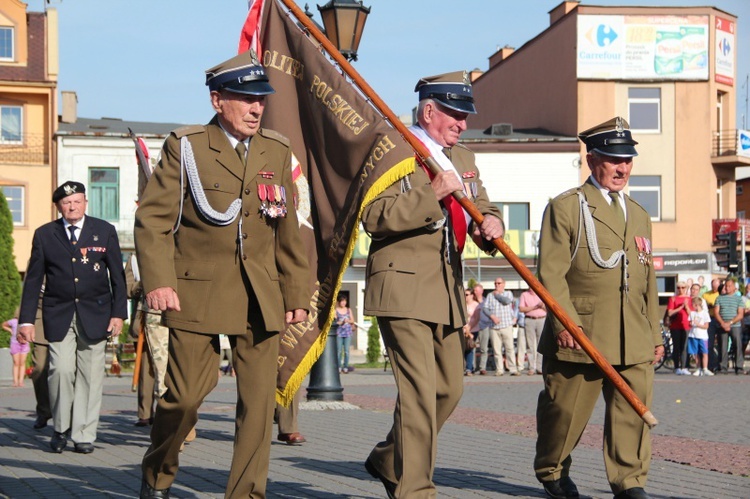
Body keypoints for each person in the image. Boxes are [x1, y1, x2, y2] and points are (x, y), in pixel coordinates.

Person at [134, 49, 310, 499]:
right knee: (185, 398)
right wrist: (158, 281)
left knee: (257, 406)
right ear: (217, 101)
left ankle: (246, 493)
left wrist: (296, 292)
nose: (256, 108)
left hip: (260, 293)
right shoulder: (187, 146)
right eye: (245, 98)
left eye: (261, 99)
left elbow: (287, 227)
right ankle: (157, 472)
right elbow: (153, 221)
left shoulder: (277, 148)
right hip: (197, 291)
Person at [361, 70, 504, 498]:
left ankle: (390, 459)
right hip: (401, 287)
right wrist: (431, 194)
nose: (462, 124)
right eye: (455, 115)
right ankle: (416, 490)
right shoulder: (393, 149)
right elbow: (373, 217)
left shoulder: (464, 158)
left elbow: (480, 204)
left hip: (445, 289)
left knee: (449, 389)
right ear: (429, 110)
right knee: (420, 394)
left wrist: (491, 220)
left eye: (466, 117)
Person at [534, 117, 663, 499]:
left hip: (633, 334)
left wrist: (654, 334)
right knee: (564, 414)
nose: (622, 167)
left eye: (627, 159)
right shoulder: (567, 207)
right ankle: (552, 470)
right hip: (582, 332)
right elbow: (551, 275)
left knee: (632, 413)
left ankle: (629, 481)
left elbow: (647, 280)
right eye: (612, 158)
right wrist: (566, 325)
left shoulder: (638, 213)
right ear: (593, 161)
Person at [17, 180, 128, 455]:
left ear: (85, 203)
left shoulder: (104, 231)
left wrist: (118, 315)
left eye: (77, 201)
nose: (72, 206)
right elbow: (33, 280)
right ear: (58, 207)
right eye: (66, 203)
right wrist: (27, 320)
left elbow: (118, 277)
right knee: (60, 370)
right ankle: (60, 427)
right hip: (58, 314)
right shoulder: (45, 235)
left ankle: (83, 434)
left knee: (91, 375)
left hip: (97, 313)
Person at [125, 253, 160, 426]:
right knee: (146, 369)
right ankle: (145, 413)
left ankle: (165, 411)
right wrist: (143, 285)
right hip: (144, 319)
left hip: (169, 318)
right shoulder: (134, 259)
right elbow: (127, 288)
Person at [483, 278, 520, 376]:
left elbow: (507, 301)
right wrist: (492, 316)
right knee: (497, 350)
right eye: (495, 283)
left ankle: (513, 369)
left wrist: (497, 295)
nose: (497, 285)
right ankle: (499, 369)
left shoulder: (508, 293)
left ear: (504, 284)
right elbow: (485, 308)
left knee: (509, 348)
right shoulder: (490, 295)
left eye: (499, 283)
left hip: (506, 325)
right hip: (494, 327)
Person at [28, 290, 51, 429]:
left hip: (66, 317)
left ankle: (70, 414)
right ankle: (44, 410)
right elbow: (29, 292)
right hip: (41, 322)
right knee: (39, 368)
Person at [713, 277, 745, 375]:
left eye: (729, 286)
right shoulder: (719, 298)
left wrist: (730, 323)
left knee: (737, 345)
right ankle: (723, 367)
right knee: (722, 346)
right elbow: (716, 312)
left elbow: (740, 314)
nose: (726, 288)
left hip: (735, 326)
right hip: (722, 326)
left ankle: (739, 367)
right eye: (725, 286)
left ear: (734, 287)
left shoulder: (738, 298)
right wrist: (723, 323)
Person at [519, 286, 546, 375]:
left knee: (541, 344)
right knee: (530, 345)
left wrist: (542, 306)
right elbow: (521, 309)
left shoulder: (542, 294)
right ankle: (531, 367)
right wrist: (535, 307)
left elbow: (548, 308)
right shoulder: (524, 295)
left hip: (541, 319)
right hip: (529, 319)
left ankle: (540, 367)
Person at [667, 282, 692, 375]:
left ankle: (684, 366)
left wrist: (686, 306)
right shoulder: (673, 299)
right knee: (676, 346)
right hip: (675, 326)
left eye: (682, 287)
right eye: (678, 287)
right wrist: (680, 307)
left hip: (686, 325)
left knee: (684, 346)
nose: (680, 289)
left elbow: (692, 314)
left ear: (686, 288)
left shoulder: (689, 299)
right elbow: (670, 313)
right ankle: (677, 367)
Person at [4, 308, 28, 387]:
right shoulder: (13, 321)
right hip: (15, 343)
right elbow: (4, 324)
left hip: (24, 343)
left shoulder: (26, 323)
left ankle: (21, 381)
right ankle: (15, 381)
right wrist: (10, 330)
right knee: (16, 362)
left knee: (22, 362)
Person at [688, 296, 712, 376]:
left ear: (696, 305)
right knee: (696, 353)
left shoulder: (705, 314)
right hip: (693, 335)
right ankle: (698, 368)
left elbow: (706, 326)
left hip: (703, 336)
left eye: (693, 304)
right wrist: (691, 324)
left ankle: (705, 368)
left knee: (705, 352)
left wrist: (698, 324)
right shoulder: (692, 313)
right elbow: (690, 323)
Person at [474, 283, 494, 374]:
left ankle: (482, 368)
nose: (476, 292)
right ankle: (472, 367)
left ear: (482, 291)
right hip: (473, 328)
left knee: (483, 349)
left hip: (484, 326)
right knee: (471, 348)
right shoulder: (471, 301)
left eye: (478, 290)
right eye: (475, 290)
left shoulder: (486, 301)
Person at [703, 278, 722, 372]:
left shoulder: (721, 294)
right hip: (710, 319)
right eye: (713, 286)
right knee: (709, 343)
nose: (714, 288)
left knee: (721, 343)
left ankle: (720, 364)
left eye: (716, 286)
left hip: (720, 319)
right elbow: (701, 306)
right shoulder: (706, 294)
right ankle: (711, 364)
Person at [334, 294, 355, 374]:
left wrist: (348, 321)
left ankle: (345, 367)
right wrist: (341, 322)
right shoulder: (336, 310)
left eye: (345, 301)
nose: (343, 303)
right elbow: (335, 321)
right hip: (339, 332)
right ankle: (338, 367)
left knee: (346, 351)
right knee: (339, 351)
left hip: (348, 332)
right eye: (342, 301)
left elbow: (352, 320)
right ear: (339, 302)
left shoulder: (348, 310)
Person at [464, 286, 481, 376]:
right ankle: (465, 367)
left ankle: (469, 368)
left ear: (471, 295)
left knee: (470, 349)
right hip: (462, 330)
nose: (465, 296)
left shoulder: (476, 305)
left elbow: (477, 318)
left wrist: (469, 328)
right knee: (463, 349)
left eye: (466, 294)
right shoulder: (462, 304)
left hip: (473, 330)